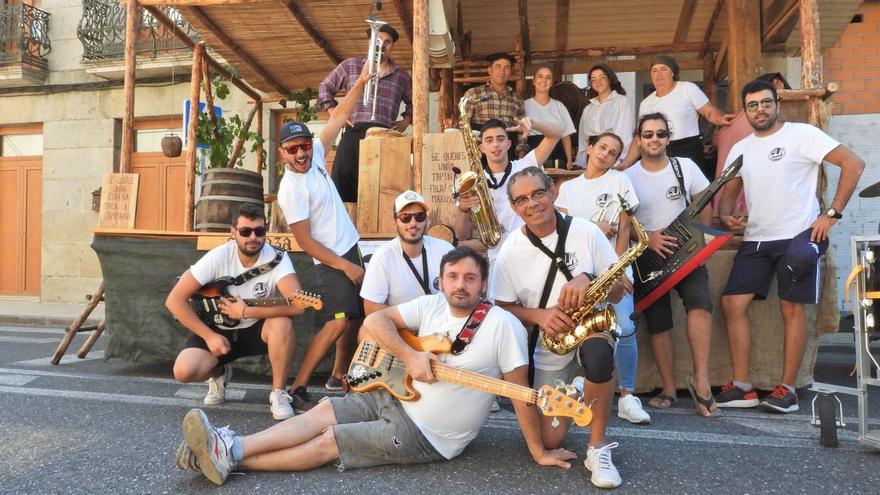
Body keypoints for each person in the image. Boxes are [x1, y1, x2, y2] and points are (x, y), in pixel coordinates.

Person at [175, 247, 577, 486]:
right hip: (397, 394)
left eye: (470, 278)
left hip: (429, 434)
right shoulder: (433, 305)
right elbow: (374, 321)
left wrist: (538, 451)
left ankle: (227, 457)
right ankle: (231, 447)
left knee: (330, 439)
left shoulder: (502, 326)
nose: (461, 284)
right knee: (323, 412)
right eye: (453, 276)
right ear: (441, 281)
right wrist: (410, 356)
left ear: (483, 284)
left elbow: (523, 395)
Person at [717, 79, 865, 413]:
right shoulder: (741, 147)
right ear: (745, 111)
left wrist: (831, 214)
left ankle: (787, 390)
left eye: (765, 102)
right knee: (731, 304)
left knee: (791, 308)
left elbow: (853, 164)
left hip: (800, 235)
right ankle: (743, 386)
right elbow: (728, 196)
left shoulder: (803, 134)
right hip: (756, 238)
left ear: (777, 104)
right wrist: (727, 217)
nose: (760, 109)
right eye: (752, 105)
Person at [491, 166, 627, 488]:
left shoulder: (587, 232)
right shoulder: (509, 251)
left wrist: (590, 278)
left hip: (591, 328)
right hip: (550, 343)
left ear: (552, 191)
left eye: (538, 193)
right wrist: (539, 316)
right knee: (550, 441)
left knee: (597, 355)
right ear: (514, 208)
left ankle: (598, 446)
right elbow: (501, 306)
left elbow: (622, 287)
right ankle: (580, 385)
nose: (532, 204)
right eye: (522, 199)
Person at [277, 65, 370, 410]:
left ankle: (340, 375)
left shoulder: (316, 154)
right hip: (332, 260)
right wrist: (345, 267)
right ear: (282, 153)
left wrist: (359, 82)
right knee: (337, 322)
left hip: (350, 248)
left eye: (303, 146)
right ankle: (298, 387)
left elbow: (340, 115)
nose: (301, 154)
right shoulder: (291, 189)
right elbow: (305, 242)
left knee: (356, 318)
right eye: (292, 150)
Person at [166, 204, 303, 421]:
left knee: (282, 322)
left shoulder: (277, 258)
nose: (253, 237)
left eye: (259, 231)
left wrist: (247, 311)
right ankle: (219, 374)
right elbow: (174, 300)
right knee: (183, 371)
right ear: (233, 232)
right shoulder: (218, 257)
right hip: (218, 329)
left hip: (256, 329)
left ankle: (278, 393)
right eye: (245, 231)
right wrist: (209, 336)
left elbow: (299, 304)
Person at [624, 112, 717, 418]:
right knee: (659, 322)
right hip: (647, 258)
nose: (654, 139)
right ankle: (667, 388)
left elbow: (704, 201)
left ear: (668, 137)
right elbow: (624, 219)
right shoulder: (629, 176)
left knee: (700, 305)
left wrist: (701, 243)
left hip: (685, 252)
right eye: (647, 134)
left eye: (660, 134)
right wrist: (647, 238)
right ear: (639, 140)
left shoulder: (684, 166)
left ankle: (701, 380)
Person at [556, 132, 650, 425]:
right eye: (602, 148)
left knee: (624, 327)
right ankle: (587, 384)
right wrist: (592, 225)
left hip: (614, 270)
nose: (605, 155)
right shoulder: (568, 188)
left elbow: (624, 230)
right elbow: (563, 231)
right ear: (590, 148)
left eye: (613, 152)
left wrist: (618, 271)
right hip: (582, 274)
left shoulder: (620, 181)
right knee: (588, 330)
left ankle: (627, 396)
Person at [317, 23, 412, 203]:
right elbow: (325, 87)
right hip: (353, 132)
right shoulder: (351, 65)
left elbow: (414, 100)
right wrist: (334, 113)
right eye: (378, 40)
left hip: (383, 137)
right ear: (369, 42)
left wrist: (406, 119)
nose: (382, 45)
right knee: (343, 185)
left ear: (392, 46)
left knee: (381, 191)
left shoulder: (402, 76)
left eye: (387, 42)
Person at [453, 117, 562, 265]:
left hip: (534, 255)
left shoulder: (525, 165)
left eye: (500, 139)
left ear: (509, 144)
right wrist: (463, 209)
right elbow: (461, 234)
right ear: (481, 148)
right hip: (498, 260)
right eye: (489, 140)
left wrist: (533, 122)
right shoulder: (472, 182)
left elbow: (556, 134)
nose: (495, 145)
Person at [620, 55, 734, 179]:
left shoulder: (688, 88)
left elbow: (709, 111)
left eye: (663, 69)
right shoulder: (646, 103)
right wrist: (626, 163)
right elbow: (639, 138)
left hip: (688, 150)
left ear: (673, 72)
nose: (658, 74)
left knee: (693, 193)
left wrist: (720, 119)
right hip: (657, 151)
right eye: (654, 70)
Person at [360, 190, 454, 314]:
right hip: (403, 328)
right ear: (395, 222)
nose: (413, 223)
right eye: (405, 217)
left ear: (427, 220)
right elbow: (371, 307)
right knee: (366, 331)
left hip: (441, 323)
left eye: (419, 216)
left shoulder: (445, 250)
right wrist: (413, 319)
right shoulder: (382, 256)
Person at [462, 52, 525, 161]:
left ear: (510, 72)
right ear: (490, 70)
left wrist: (521, 153)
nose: (502, 71)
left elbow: (521, 130)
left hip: (508, 153)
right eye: (498, 67)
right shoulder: (473, 94)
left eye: (507, 68)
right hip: (480, 153)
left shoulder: (517, 99)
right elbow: (464, 126)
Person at [575, 64, 634, 169]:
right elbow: (583, 140)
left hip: (610, 155)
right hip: (591, 158)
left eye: (602, 77)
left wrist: (619, 160)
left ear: (610, 79)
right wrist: (581, 162)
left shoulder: (621, 101)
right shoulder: (588, 108)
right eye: (593, 79)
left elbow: (624, 134)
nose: (598, 81)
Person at [524, 65, 576, 168]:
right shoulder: (524, 105)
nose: (544, 80)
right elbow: (520, 136)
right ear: (534, 81)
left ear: (552, 83)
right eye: (540, 76)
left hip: (557, 156)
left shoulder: (559, 106)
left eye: (548, 77)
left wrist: (569, 160)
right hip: (534, 156)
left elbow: (565, 136)